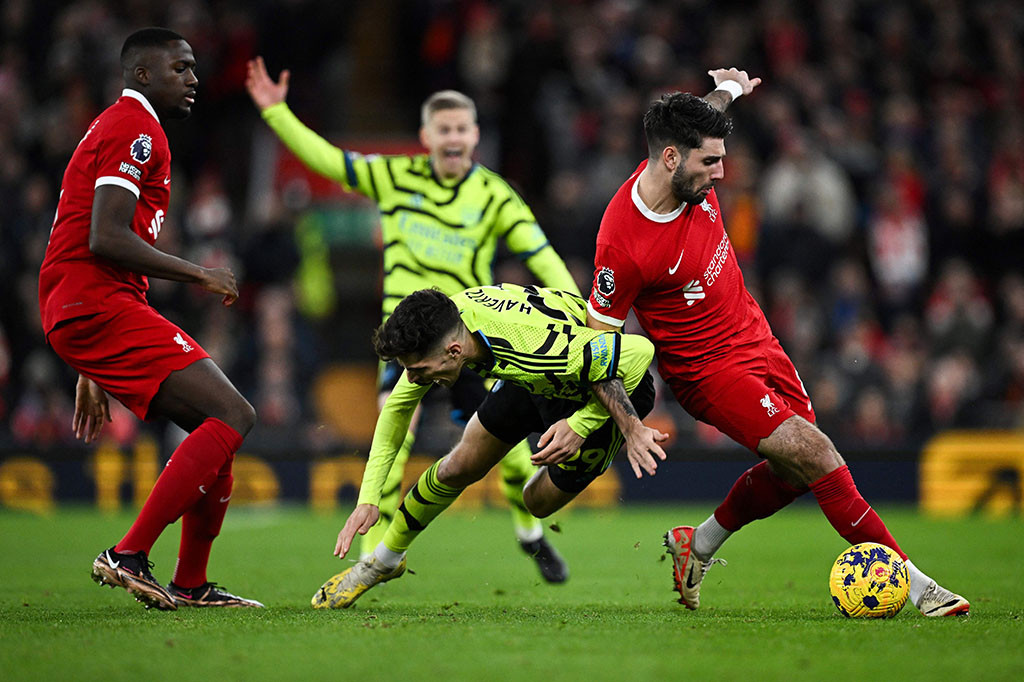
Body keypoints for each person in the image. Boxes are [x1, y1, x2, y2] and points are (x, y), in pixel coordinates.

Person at [585, 68, 969, 617]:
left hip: (755, 336)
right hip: (706, 371)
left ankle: (699, 543)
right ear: (670, 159)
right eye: (709, 163)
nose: (721, 174)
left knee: (796, 472)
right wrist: (626, 423)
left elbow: (705, 107)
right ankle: (915, 584)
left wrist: (731, 89)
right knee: (817, 453)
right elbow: (599, 346)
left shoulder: (690, 153)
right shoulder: (623, 243)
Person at [245, 57, 579, 581]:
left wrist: (583, 313)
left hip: (472, 341)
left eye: (461, 129)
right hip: (408, 344)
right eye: (442, 128)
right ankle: (377, 549)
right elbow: (329, 161)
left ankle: (530, 534)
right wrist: (277, 115)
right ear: (426, 135)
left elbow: (544, 258)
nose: (452, 137)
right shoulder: (393, 175)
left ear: (474, 135)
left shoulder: (495, 195)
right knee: (394, 428)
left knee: (507, 447)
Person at [38, 28, 262, 610]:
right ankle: (128, 554)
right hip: (96, 303)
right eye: (180, 68)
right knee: (235, 412)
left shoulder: (123, 126)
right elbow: (105, 237)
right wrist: (200, 273)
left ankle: (191, 584)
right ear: (142, 74)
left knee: (219, 428)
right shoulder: (134, 128)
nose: (192, 79)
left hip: (94, 306)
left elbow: (90, 237)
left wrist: (92, 367)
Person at [310, 284, 667, 608]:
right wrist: (368, 498)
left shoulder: (537, 348)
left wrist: (580, 424)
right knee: (457, 467)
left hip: (597, 392)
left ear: (453, 351)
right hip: (531, 379)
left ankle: (570, 459)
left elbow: (639, 352)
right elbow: (397, 409)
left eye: (418, 369)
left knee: (536, 502)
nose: (414, 379)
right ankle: (382, 563)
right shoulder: (454, 320)